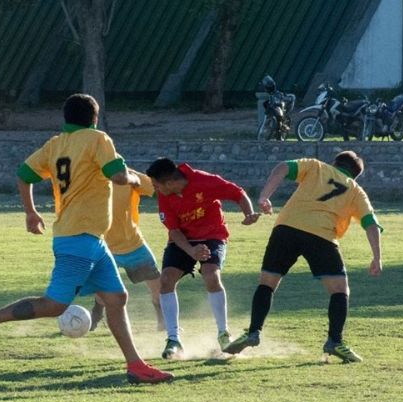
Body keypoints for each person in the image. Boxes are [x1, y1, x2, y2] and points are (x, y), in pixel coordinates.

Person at [0, 94, 173, 384]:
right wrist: (137, 179)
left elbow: (23, 174)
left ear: (65, 119)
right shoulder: (97, 139)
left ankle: (135, 365)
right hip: (79, 238)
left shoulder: (55, 144)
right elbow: (119, 177)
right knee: (55, 305)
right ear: (95, 118)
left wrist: (31, 213)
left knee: (116, 298)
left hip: (92, 239)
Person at [223, 151, 382, 363]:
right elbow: (370, 223)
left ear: (334, 163)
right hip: (322, 235)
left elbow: (282, 167)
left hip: (286, 228)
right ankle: (335, 341)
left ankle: (253, 332)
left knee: (268, 282)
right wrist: (376, 257)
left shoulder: (316, 166)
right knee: (339, 290)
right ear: (356, 175)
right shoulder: (355, 190)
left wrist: (264, 196)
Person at [145, 157, 260, 359]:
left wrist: (249, 213)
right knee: (166, 280)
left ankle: (224, 334)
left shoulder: (204, 181)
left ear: (169, 183)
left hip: (212, 235)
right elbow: (174, 230)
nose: (155, 189)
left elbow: (237, 193)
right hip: (183, 240)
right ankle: (173, 339)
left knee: (211, 275)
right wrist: (191, 251)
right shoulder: (165, 195)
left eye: (156, 185)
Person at [89, 169, 166, 332]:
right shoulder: (90, 178)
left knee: (157, 287)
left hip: (133, 244)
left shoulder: (130, 177)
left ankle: (163, 321)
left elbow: (159, 190)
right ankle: (96, 314)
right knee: (103, 290)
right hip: (104, 247)